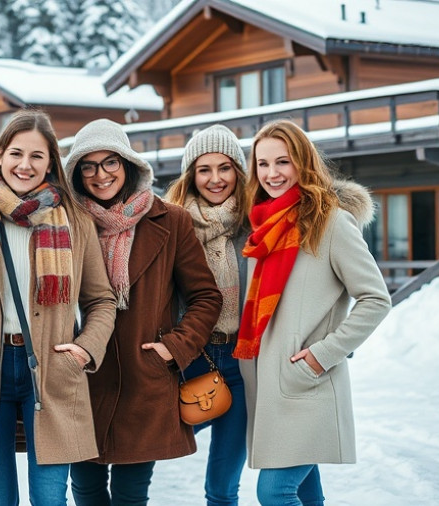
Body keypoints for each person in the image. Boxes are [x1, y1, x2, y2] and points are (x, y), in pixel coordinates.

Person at [0, 109, 117, 506]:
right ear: (0, 155)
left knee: (49, 498)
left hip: (54, 368)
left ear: (51, 162)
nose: (25, 165)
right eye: (16, 153)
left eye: (37, 156)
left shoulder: (76, 223)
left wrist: (85, 349)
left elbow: (101, 300)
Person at [63, 119, 222, 506]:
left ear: (128, 165)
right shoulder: (63, 223)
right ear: (77, 173)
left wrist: (174, 347)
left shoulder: (171, 220)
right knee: (84, 490)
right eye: (89, 165)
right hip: (80, 377)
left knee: (131, 495)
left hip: (144, 378)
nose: (101, 175)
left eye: (111, 163)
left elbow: (205, 297)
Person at [237, 120, 391, 505]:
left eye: (283, 162)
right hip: (270, 386)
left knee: (275, 492)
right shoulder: (263, 227)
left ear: (303, 163)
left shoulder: (332, 223)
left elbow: (375, 298)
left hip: (305, 382)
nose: (272, 174)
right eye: (262, 164)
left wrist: (321, 356)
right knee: (305, 492)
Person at [165, 124, 251, 506]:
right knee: (144, 449)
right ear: (191, 175)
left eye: (225, 167)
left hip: (244, 362)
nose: (215, 179)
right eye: (204, 169)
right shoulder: (171, 226)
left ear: (239, 172)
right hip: (191, 360)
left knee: (221, 485)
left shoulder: (256, 227)